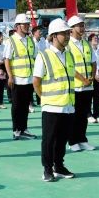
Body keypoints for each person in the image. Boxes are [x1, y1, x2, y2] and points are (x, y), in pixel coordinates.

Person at [33, 19, 76, 182]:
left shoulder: (69, 55)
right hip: (51, 106)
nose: (67, 36)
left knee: (62, 139)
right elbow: (36, 82)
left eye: (68, 33)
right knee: (49, 140)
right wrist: (45, 98)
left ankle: (59, 166)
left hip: (68, 105)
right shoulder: (44, 56)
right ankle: (47, 168)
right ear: (54, 36)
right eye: (64, 33)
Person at [2, 14, 38, 140]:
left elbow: (35, 58)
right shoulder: (11, 41)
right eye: (25, 24)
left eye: (28, 24)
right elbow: (7, 59)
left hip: (29, 79)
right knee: (17, 106)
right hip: (17, 79)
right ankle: (16, 130)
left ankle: (24, 129)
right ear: (17, 26)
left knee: (25, 105)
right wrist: (10, 76)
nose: (27, 26)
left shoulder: (30, 40)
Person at [66, 16, 97, 153]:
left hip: (88, 86)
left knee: (84, 115)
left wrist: (92, 77)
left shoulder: (86, 44)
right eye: (79, 25)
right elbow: (70, 67)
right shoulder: (68, 45)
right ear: (71, 29)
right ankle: (72, 141)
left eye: (83, 25)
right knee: (74, 115)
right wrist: (83, 79)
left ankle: (82, 139)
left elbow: (93, 62)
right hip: (76, 87)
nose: (82, 28)